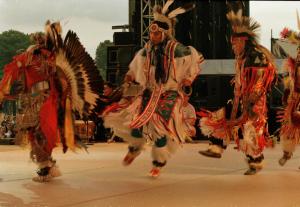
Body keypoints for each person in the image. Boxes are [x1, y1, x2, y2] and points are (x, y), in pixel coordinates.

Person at [103, 0, 203, 178]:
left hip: (169, 93)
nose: (152, 35)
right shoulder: (147, 50)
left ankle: (159, 161)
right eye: (151, 32)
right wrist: (130, 75)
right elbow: (135, 65)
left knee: (158, 124)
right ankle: (135, 147)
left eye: (156, 33)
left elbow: (194, 60)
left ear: (164, 34)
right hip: (149, 92)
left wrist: (188, 79)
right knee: (136, 120)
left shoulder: (176, 50)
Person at [0, 20, 103, 182]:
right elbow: (11, 71)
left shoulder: (54, 59)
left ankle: (46, 166)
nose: (40, 46)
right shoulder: (27, 57)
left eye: (43, 42)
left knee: (45, 131)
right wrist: (3, 91)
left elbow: (63, 81)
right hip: (34, 101)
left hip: (49, 100)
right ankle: (45, 165)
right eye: (39, 43)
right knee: (35, 133)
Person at [198, 4, 276, 175]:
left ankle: (256, 161)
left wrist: (251, 103)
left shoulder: (257, 57)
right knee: (222, 116)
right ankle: (216, 147)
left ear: (243, 42)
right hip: (241, 99)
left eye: (235, 43)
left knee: (250, 131)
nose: (233, 47)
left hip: (255, 103)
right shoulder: (242, 57)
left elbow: (260, 82)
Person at [277, 16, 300, 167]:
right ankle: (287, 152)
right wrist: (286, 91)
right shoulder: (293, 63)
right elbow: (288, 77)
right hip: (294, 97)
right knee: (288, 125)